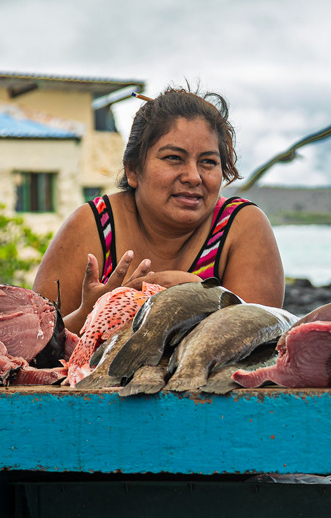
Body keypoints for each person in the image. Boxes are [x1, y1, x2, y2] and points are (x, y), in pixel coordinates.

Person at [34, 87, 284, 333]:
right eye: (174, 158)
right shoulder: (94, 224)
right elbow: (34, 347)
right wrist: (91, 312)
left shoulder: (240, 226)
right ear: (133, 170)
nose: (193, 177)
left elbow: (258, 346)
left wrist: (200, 294)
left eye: (208, 162)